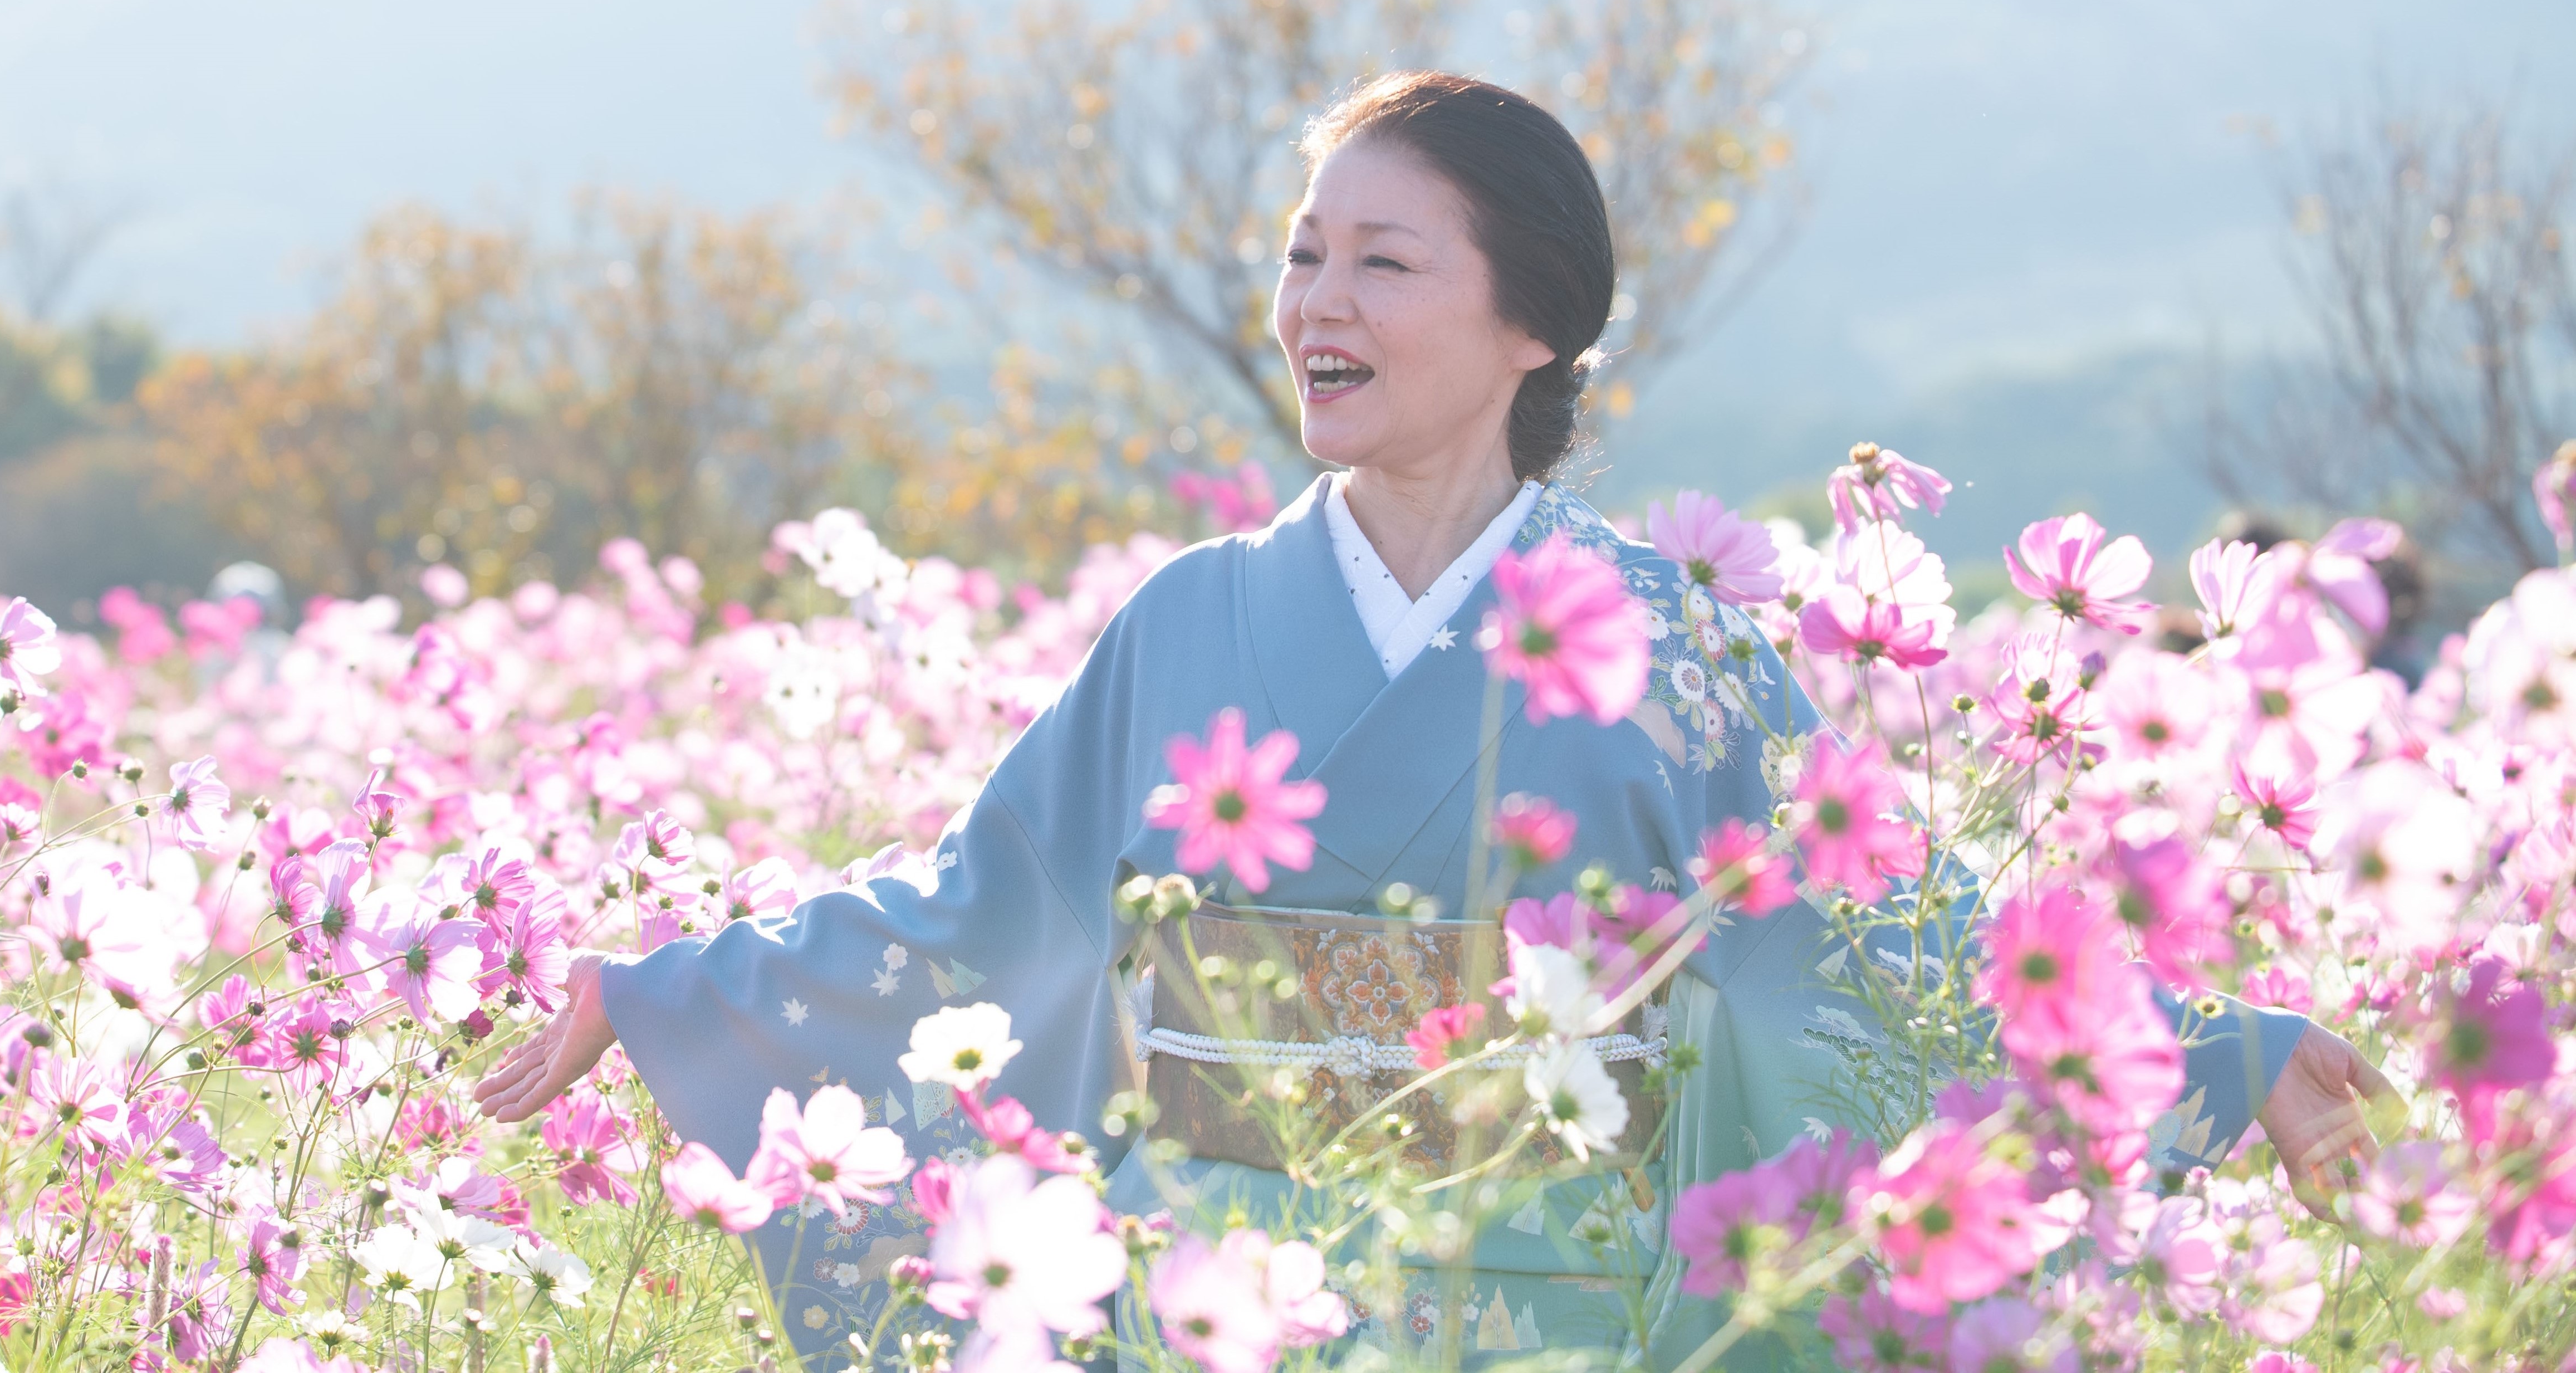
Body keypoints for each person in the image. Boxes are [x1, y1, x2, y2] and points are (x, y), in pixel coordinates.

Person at [475, 72, 2391, 1360]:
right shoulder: (1191, 616)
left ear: (1534, 322)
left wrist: (2209, 1054)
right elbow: (993, 906)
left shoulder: (1676, 634)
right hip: (1214, 1298)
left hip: (1537, 1306)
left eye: (1385, 260)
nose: (1322, 295)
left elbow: (1881, 955)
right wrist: (678, 985)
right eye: (1308, 252)